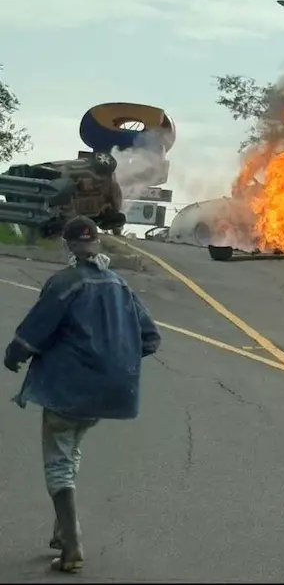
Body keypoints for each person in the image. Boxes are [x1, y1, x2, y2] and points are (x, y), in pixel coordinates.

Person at [3, 215, 161, 573]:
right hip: (110, 390)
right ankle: (61, 532)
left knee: (58, 458)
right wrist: (114, 357)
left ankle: (72, 543)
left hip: (69, 387)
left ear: (67, 246)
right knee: (71, 450)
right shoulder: (119, 284)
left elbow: (35, 331)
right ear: (97, 245)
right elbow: (150, 338)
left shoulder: (65, 282)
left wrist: (14, 354)